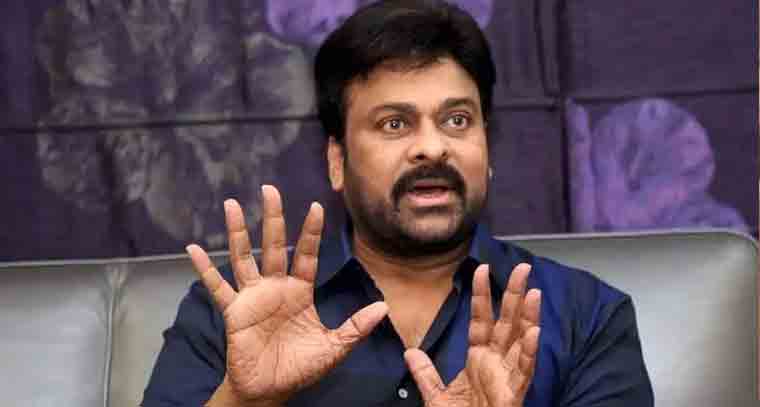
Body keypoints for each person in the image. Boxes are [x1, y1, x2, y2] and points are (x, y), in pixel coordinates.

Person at [142, 1, 653, 406]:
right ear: (337, 161)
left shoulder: (586, 316)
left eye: (457, 120)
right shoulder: (233, 311)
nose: (432, 147)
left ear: (488, 148)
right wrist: (243, 401)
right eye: (394, 123)